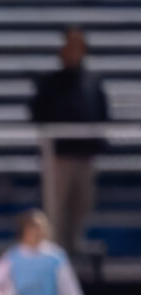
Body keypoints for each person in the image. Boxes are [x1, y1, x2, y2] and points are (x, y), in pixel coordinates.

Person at [29, 26, 110, 255]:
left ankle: (74, 247)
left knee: (82, 205)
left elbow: (102, 114)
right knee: (56, 209)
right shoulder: (50, 83)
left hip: (84, 156)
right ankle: (53, 252)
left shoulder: (92, 82)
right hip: (59, 156)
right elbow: (38, 114)